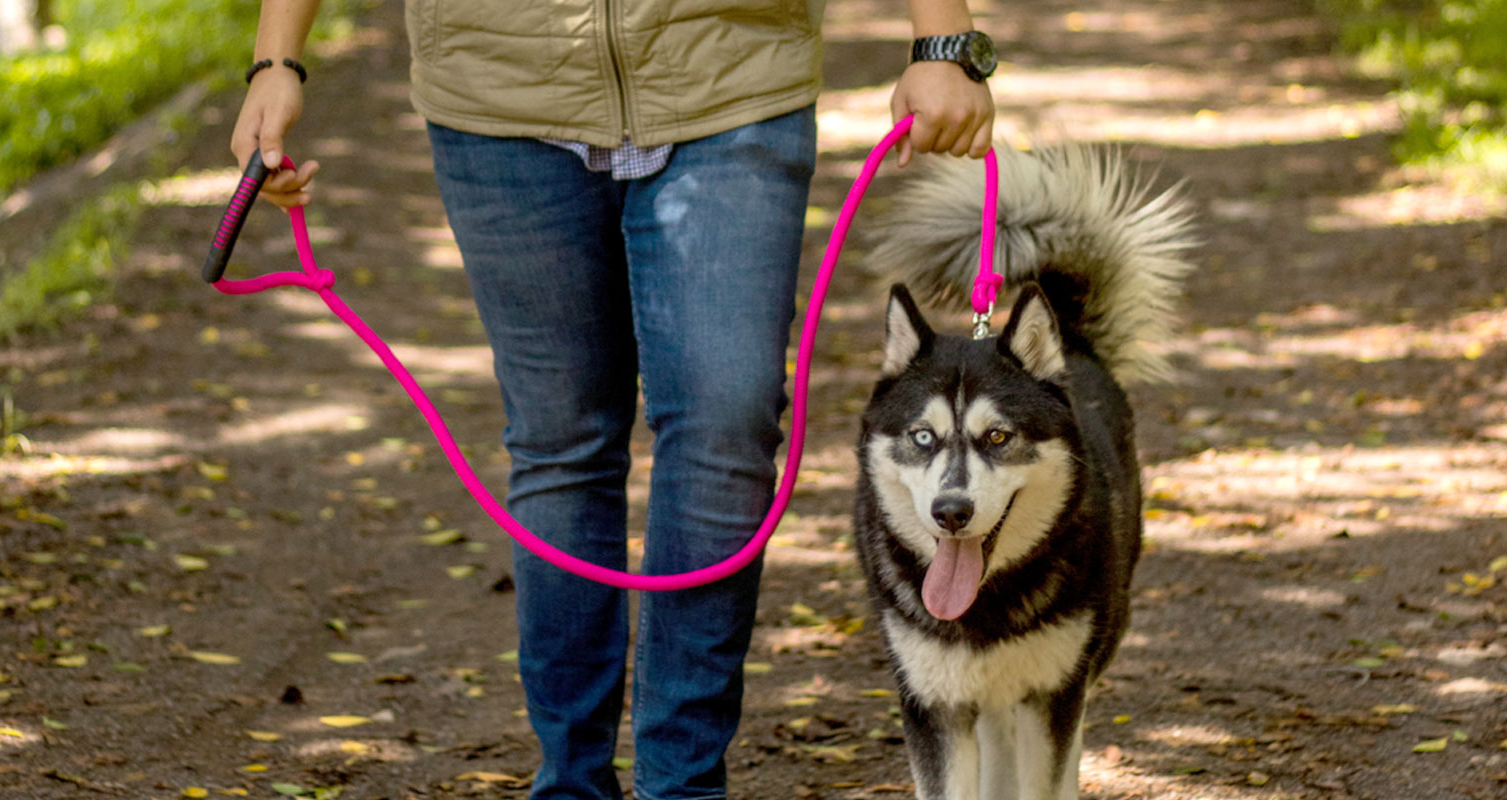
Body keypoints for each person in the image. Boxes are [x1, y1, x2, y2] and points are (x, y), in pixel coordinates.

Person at [231, 2, 995, 798]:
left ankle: (683, 785)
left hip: (728, 71)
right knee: (559, 442)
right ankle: (570, 783)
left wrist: (943, 38)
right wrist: (276, 60)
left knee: (726, 428)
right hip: (496, 91)